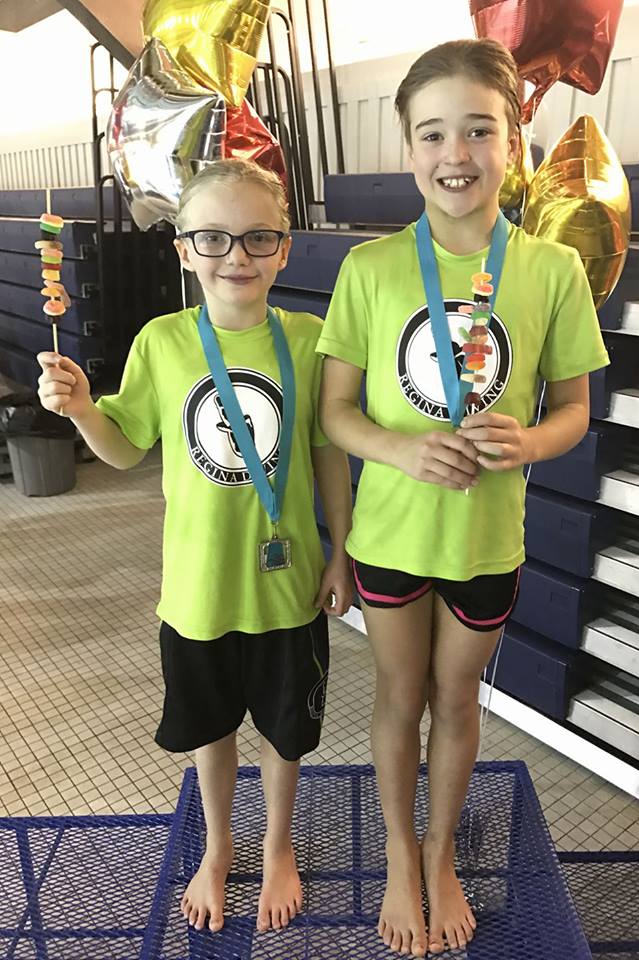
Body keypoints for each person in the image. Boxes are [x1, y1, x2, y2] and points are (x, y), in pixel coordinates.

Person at [317, 38, 609, 958]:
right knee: (399, 695)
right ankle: (398, 854)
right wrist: (402, 448)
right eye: (433, 133)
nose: (456, 154)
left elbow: (572, 411)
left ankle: (440, 851)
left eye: (479, 130)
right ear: (408, 148)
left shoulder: (551, 271)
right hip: (392, 538)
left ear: (514, 143)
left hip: (486, 541)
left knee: (457, 697)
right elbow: (334, 413)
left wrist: (531, 441)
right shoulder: (371, 269)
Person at [37, 158, 353, 936]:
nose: (236, 256)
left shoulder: (311, 341)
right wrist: (83, 410)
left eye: (257, 238)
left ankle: (277, 845)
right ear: (184, 249)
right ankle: (219, 844)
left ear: (284, 248)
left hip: (288, 587)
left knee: (284, 731)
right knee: (211, 730)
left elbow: (327, 455)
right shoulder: (164, 341)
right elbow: (123, 449)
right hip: (196, 590)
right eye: (213, 238)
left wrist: (341, 551)